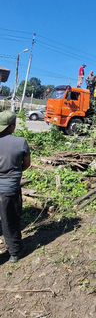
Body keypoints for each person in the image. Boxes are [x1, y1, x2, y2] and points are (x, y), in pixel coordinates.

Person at [0, 111, 30, 263]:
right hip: (9, 190)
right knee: (9, 220)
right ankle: (15, 252)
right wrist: (15, 171)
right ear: (12, 126)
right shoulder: (21, 142)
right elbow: (26, 164)